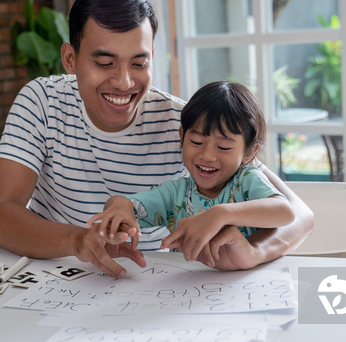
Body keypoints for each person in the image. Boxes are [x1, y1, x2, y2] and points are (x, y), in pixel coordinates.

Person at [0, 0, 313, 278]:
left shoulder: (188, 126)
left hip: (152, 280)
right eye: (104, 63)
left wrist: (251, 253)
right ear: (70, 58)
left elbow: (299, 215)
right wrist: (78, 241)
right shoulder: (41, 101)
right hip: (55, 274)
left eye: (139, 63)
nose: (124, 82)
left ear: (153, 57)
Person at [87, 81, 295, 268]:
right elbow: (129, 206)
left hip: (246, 287)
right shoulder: (175, 193)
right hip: (188, 289)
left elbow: (284, 212)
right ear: (182, 137)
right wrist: (117, 208)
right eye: (196, 142)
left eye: (223, 147)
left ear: (249, 152)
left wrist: (220, 214)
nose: (207, 155)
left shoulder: (246, 181)